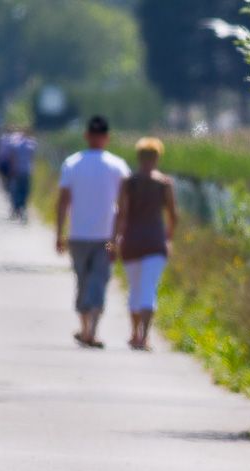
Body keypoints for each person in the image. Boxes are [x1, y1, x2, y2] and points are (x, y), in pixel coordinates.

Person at [56, 115, 131, 349]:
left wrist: (59, 233)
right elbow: (125, 204)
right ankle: (92, 330)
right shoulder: (118, 166)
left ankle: (86, 327)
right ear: (107, 137)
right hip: (107, 238)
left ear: (87, 135)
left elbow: (63, 201)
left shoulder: (72, 163)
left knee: (83, 279)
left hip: (78, 235)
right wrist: (119, 237)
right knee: (100, 279)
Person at [111, 137, 178, 351]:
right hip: (155, 241)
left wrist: (113, 241)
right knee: (149, 288)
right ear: (157, 157)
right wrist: (168, 238)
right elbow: (173, 215)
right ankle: (145, 336)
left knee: (135, 288)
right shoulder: (164, 183)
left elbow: (121, 214)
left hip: (132, 241)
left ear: (139, 157)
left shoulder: (128, 182)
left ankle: (133, 333)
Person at [6, 128, 37, 222]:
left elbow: (12, 158)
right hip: (26, 171)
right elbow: (32, 157)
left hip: (17, 171)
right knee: (25, 191)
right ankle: (22, 209)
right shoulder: (31, 145)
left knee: (16, 191)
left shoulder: (16, 145)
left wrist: (12, 169)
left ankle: (17, 209)